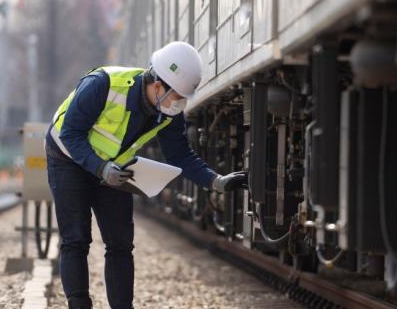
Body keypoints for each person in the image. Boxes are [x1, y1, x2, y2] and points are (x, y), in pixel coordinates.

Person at [45, 41, 247, 309]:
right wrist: (100, 168)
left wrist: (216, 181)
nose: (178, 104)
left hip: (113, 168)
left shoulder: (168, 112)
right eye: (176, 96)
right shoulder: (102, 85)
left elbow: (180, 156)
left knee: (120, 243)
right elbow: (70, 133)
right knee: (76, 239)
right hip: (67, 158)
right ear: (157, 85)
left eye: (183, 99)